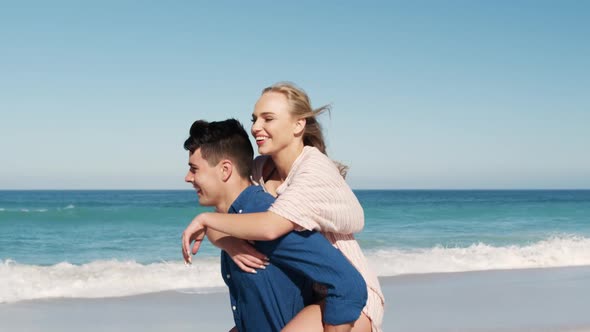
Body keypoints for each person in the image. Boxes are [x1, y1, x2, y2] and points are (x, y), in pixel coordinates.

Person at [182, 83, 385, 332]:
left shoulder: (313, 170)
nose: (256, 127)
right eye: (255, 119)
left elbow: (269, 226)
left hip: (348, 295)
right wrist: (230, 243)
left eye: (268, 118)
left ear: (298, 125)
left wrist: (204, 221)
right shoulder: (260, 170)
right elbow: (229, 212)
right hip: (312, 289)